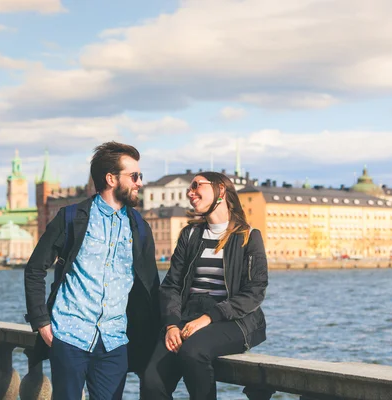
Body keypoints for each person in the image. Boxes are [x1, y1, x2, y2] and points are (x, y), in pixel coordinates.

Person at [24, 141, 160, 399]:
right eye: (134, 176)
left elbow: (151, 285)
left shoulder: (140, 227)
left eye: (140, 176)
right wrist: (41, 322)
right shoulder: (71, 218)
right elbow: (34, 269)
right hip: (69, 336)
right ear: (111, 178)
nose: (140, 182)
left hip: (115, 342)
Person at [142, 172, 268, 400]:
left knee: (194, 351)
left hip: (232, 319)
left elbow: (255, 291)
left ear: (220, 190)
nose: (190, 193)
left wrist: (209, 317)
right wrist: (171, 325)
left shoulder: (249, 237)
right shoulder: (190, 235)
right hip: (187, 316)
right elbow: (171, 285)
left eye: (196, 186)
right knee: (152, 381)